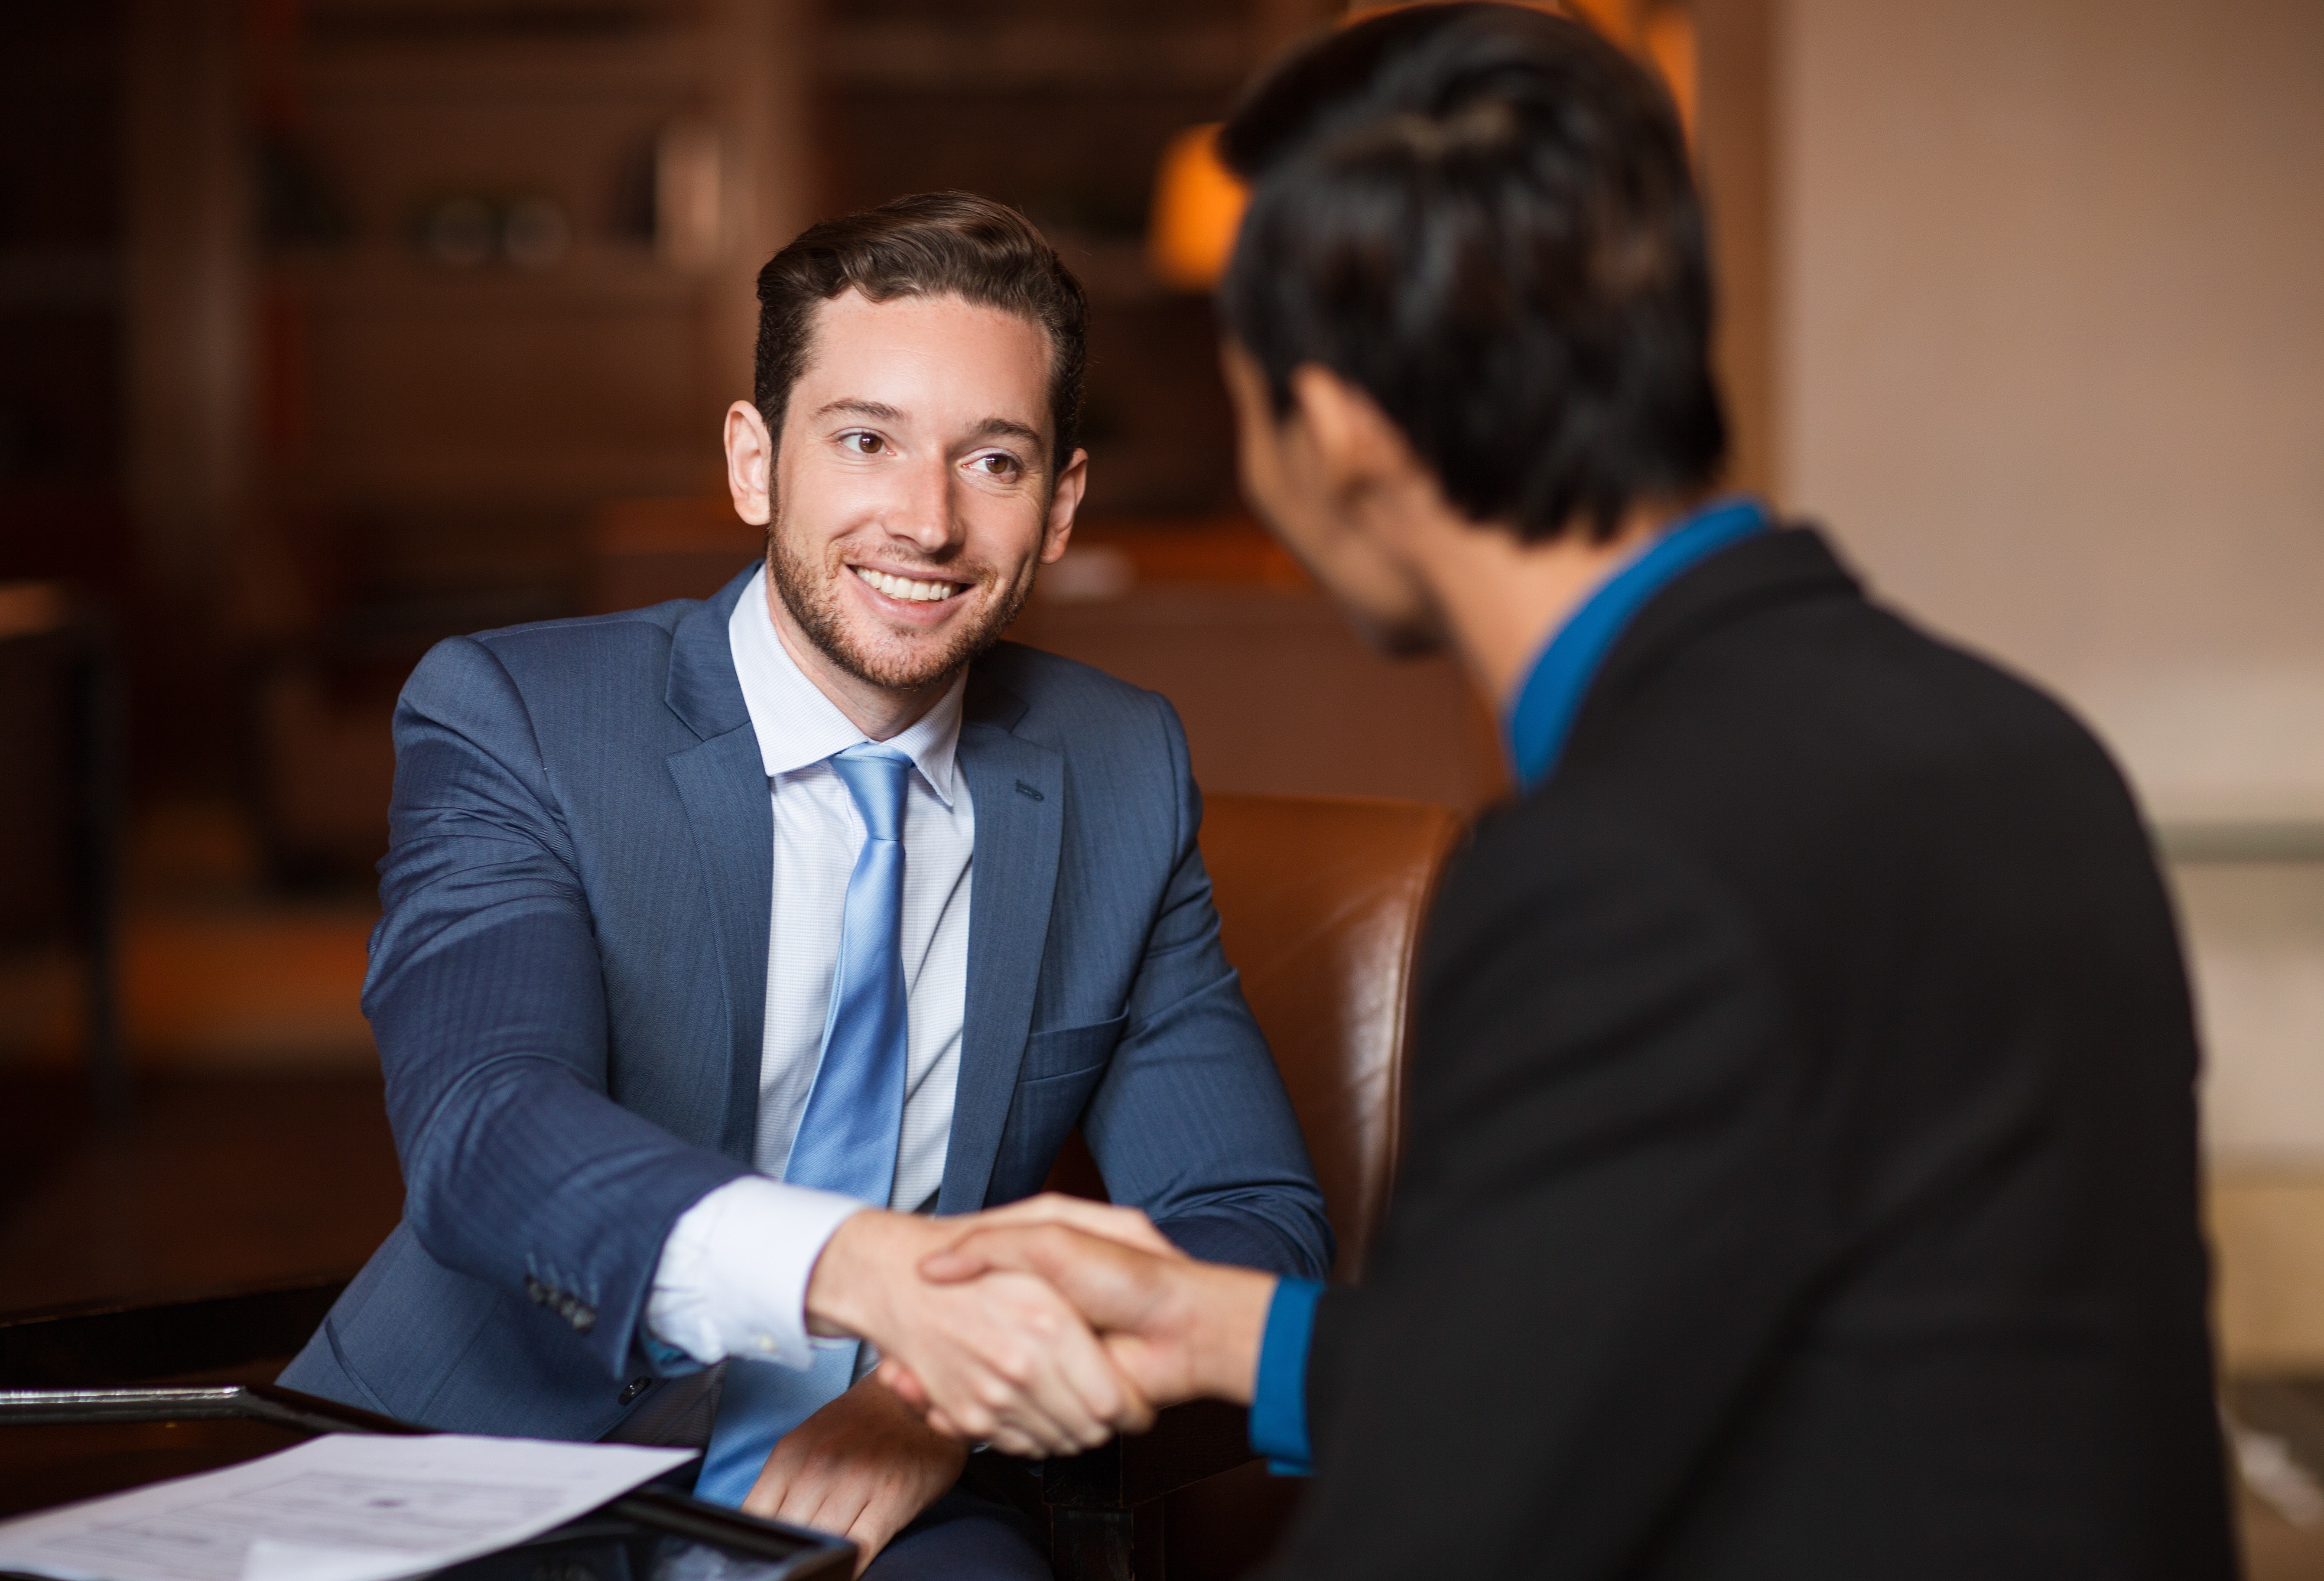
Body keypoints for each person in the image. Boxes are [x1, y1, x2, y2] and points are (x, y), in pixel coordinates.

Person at [890, 9, 2239, 1578]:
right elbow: (1724, 1357)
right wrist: (1228, 1333)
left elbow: (1454, 1529)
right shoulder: (2023, 749)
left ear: (1336, 432)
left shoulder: (1622, 868)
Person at [280, 192, 1330, 1579]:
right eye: (865, 441)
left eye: (995, 462)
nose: (928, 521)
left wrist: (931, 1399)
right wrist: (866, 1270)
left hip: (893, 1490)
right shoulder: (519, 716)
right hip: (492, 1466)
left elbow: (1252, 1219)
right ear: (755, 462)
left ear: (1062, 506)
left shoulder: (1122, 768)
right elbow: (485, 1133)